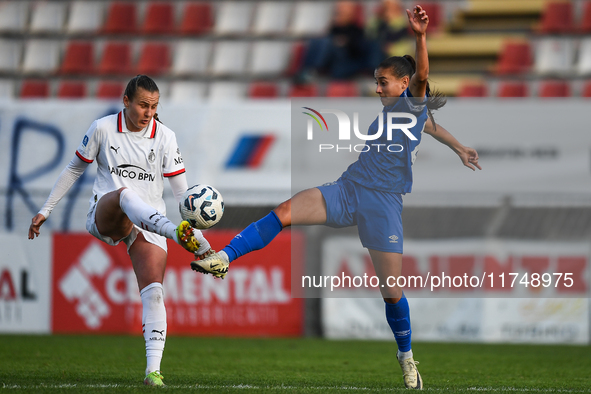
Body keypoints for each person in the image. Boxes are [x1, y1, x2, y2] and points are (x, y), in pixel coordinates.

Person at [193, 5, 481, 390]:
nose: (377, 88)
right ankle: (223, 258)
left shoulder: (412, 99)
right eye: (377, 82)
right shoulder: (406, 111)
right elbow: (433, 126)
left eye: (383, 82)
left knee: (391, 292)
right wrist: (459, 146)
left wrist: (421, 37)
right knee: (284, 211)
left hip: (384, 204)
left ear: (404, 83)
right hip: (349, 188)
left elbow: (425, 81)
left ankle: (406, 357)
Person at [28, 75, 212, 387]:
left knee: (154, 292)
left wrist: (203, 242)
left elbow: (182, 196)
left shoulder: (165, 136)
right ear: (126, 101)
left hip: (149, 221)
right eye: (142, 104)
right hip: (108, 211)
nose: (148, 112)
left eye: (153, 106)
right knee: (126, 195)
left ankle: (152, 373)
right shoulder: (102, 128)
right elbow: (74, 168)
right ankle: (172, 232)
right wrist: (46, 209)